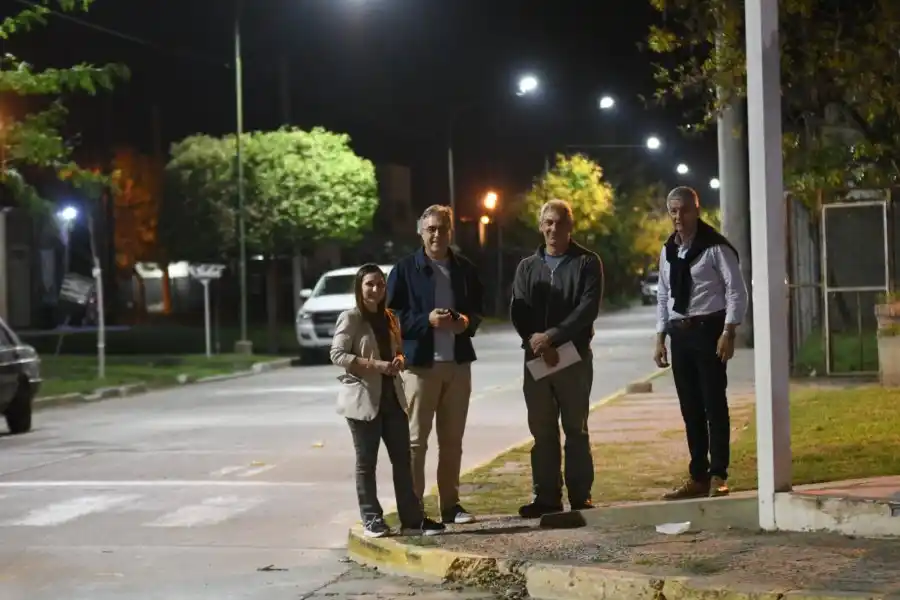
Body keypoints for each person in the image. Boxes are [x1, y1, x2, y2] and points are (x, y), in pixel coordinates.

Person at [330, 263, 445, 538]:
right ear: (360, 287)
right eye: (369, 284)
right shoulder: (351, 318)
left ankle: (412, 520)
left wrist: (398, 361)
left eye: (380, 285)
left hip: (393, 398)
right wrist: (376, 365)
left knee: (402, 461)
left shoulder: (391, 317)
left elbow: (400, 351)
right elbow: (337, 354)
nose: (375, 289)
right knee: (366, 463)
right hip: (364, 400)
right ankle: (372, 519)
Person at [386, 205, 484, 526]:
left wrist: (466, 322)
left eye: (442, 228)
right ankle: (414, 509)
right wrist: (425, 320)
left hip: (457, 365)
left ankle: (451, 505)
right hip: (421, 367)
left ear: (450, 231)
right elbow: (390, 317)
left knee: (452, 442)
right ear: (420, 232)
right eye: (430, 229)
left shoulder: (465, 269)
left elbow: (478, 310)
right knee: (416, 442)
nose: (436, 234)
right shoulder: (405, 269)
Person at [510, 199, 604, 519]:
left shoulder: (587, 263)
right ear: (541, 226)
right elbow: (518, 309)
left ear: (570, 226)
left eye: (559, 223)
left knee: (575, 429)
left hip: (573, 356)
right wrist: (537, 343)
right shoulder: (526, 267)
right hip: (536, 358)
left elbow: (586, 309)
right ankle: (546, 496)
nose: (553, 229)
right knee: (542, 430)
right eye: (547, 222)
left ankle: (581, 496)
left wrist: (553, 337)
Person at [653, 186, 748, 500]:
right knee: (689, 407)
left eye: (684, 210)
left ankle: (718, 474)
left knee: (713, 404)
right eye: (673, 211)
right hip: (680, 333)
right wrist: (660, 338)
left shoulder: (715, 247)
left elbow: (736, 291)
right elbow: (663, 296)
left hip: (709, 331)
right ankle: (698, 475)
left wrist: (729, 332)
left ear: (697, 210)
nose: (679, 217)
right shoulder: (669, 250)